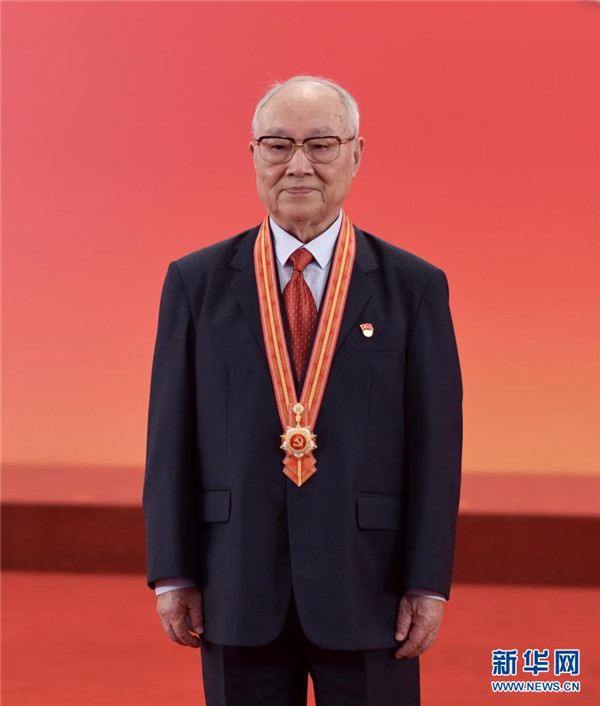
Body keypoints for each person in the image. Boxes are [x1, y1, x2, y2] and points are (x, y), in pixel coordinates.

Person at [142, 75, 463, 706]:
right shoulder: (195, 283)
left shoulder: (414, 287)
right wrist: (172, 572)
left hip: (369, 582)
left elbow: (436, 447)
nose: (298, 165)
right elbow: (169, 436)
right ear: (253, 155)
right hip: (235, 578)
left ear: (356, 154)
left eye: (320, 145)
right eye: (277, 145)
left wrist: (428, 582)